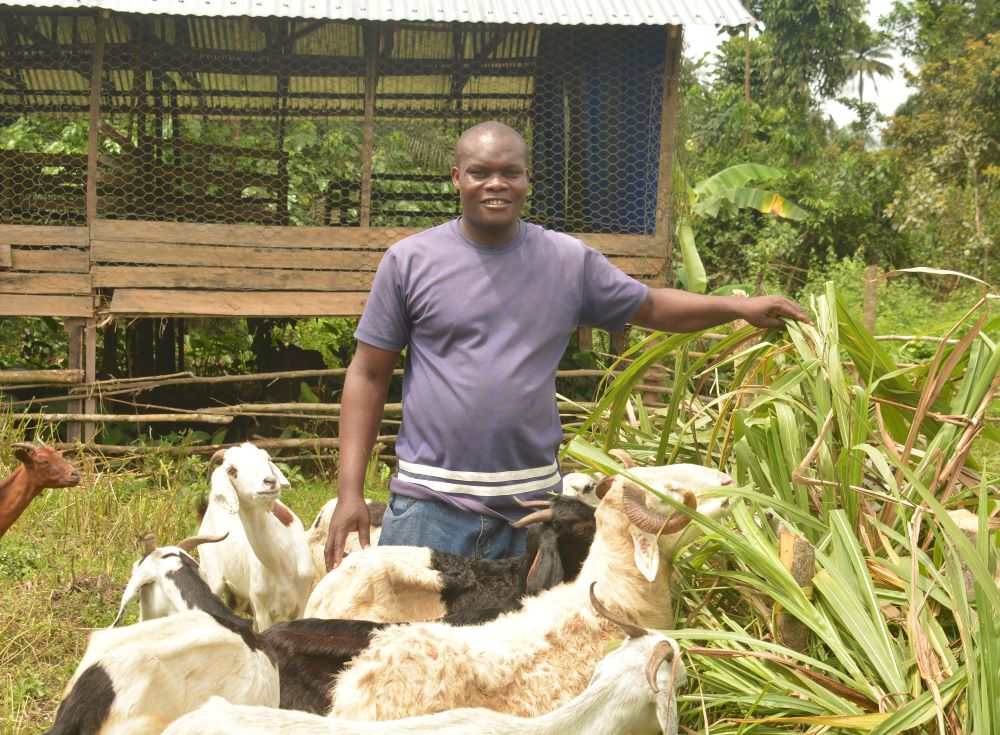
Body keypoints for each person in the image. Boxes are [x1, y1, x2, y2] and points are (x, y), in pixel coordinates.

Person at [324, 121, 810, 570]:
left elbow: (653, 307)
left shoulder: (566, 260)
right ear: (457, 178)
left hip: (533, 517)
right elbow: (368, 374)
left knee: (530, 660)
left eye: (509, 172)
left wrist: (735, 306)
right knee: (413, 660)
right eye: (480, 172)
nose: (496, 184)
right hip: (430, 509)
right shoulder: (410, 261)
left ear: (527, 179)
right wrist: (349, 493)